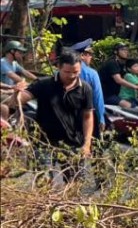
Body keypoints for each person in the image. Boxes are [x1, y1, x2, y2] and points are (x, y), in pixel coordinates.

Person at [4, 51, 93, 180]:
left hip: (72, 143)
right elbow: (14, 103)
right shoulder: (44, 84)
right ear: (58, 67)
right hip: (43, 143)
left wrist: (87, 143)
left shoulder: (85, 89)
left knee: (76, 181)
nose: (72, 76)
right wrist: (16, 93)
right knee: (43, 181)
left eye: (76, 72)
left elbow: (88, 117)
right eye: (67, 72)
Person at [69, 39, 106, 137]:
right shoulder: (92, 73)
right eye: (89, 54)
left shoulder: (61, 72)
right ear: (82, 55)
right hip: (87, 116)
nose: (91, 58)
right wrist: (101, 118)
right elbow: (98, 98)